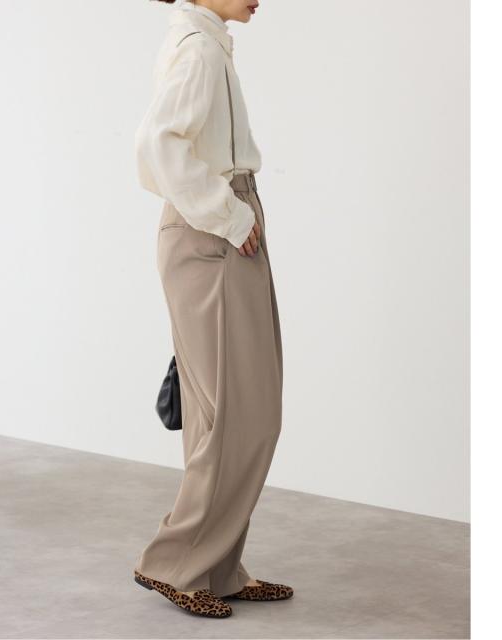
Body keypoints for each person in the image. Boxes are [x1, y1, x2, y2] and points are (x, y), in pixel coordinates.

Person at [133, 0, 292, 618]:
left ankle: (215, 568)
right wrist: (229, 215)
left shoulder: (205, 42)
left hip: (214, 232)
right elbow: (159, 143)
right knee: (244, 413)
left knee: (216, 415)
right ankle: (172, 562)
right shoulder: (199, 50)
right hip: (212, 236)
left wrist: (234, 215)